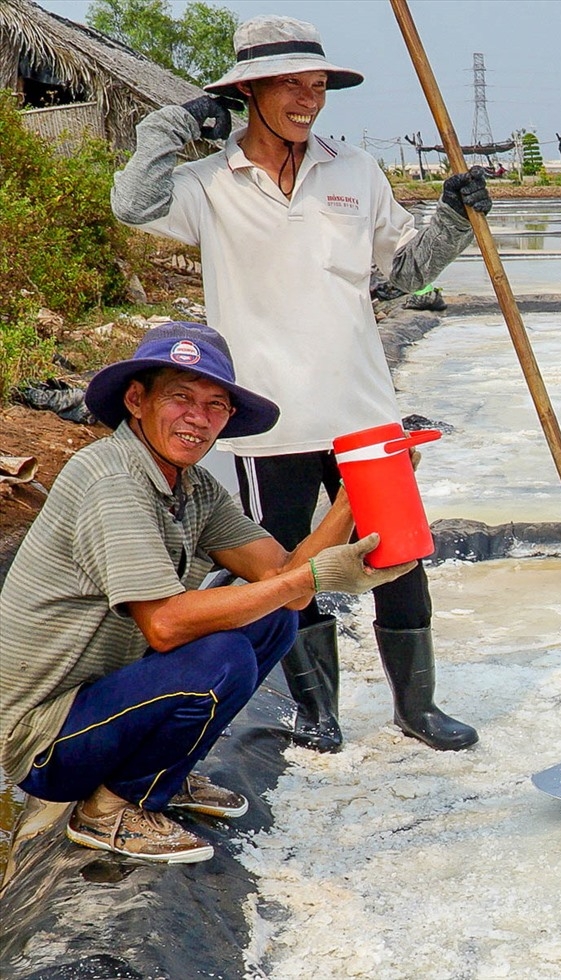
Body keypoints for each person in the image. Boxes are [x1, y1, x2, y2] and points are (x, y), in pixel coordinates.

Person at [111, 15, 489, 753]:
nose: (309, 99)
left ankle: (419, 711)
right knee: (288, 569)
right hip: (265, 420)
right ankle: (318, 711)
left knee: (400, 560)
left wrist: (454, 217)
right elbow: (132, 203)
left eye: (317, 85)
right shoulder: (208, 184)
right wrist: (178, 121)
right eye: (291, 83)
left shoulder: (355, 171)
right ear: (248, 91)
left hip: (364, 410)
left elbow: (405, 271)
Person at [0, 323, 413, 864]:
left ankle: (163, 776)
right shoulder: (111, 477)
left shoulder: (193, 487)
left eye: (215, 405)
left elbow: (283, 580)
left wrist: (357, 494)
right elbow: (166, 626)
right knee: (221, 657)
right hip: (46, 742)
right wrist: (310, 580)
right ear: (136, 400)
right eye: (180, 398)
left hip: (102, 704)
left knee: (272, 621)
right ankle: (110, 809)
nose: (199, 417)